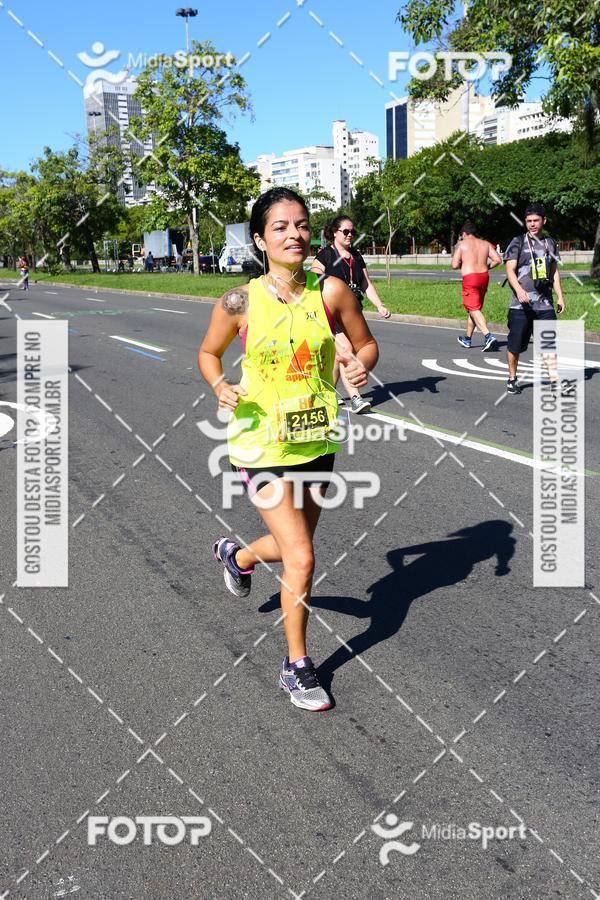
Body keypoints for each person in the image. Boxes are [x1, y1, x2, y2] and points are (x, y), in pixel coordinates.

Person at [198, 187, 378, 712]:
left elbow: (366, 342)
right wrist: (219, 385)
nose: (293, 234)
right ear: (260, 239)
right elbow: (209, 353)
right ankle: (296, 666)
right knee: (302, 555)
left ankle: (236, 555)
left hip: (316, 441)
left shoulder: (332, 293)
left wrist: (361, 363)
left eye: (301, 225)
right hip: (259, 446)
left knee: (289, 546)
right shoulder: (239, 302)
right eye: (279, 227)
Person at [311, 215, 390, 414]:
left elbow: (366, 284)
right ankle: (355, 397)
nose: (349, 235)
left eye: (352, 232)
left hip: (353, 312)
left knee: (339, 356)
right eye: (345, 232)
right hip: (331, 313)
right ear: (334, 233)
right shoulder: (325, 255)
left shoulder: (356, 256)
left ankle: (325, 393)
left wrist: (379, 305)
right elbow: (313, 279)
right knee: (345, 350)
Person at [504, 203, 565, 394]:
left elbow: (554, 271)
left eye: (536, 220)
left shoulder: (551, 243)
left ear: (543, 221)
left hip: (544, 303)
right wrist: (519, 290)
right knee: (515, 345)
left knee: (548, 343)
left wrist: (560, 297)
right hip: (520, 305)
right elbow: (509, 270)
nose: (532, 224)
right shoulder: (518, 242)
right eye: (529, 221)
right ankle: (512, 378)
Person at [451, 222, 502, 351]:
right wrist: (486, 267)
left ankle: (488, 336)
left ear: (464, 233)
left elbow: (454, 264)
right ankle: (467, 339)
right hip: (484, 277)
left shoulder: (462, 245)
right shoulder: (485, 244)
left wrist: (464, 262)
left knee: (473, 308)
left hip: (470, 278)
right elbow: (497, 260)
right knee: (475, 309)